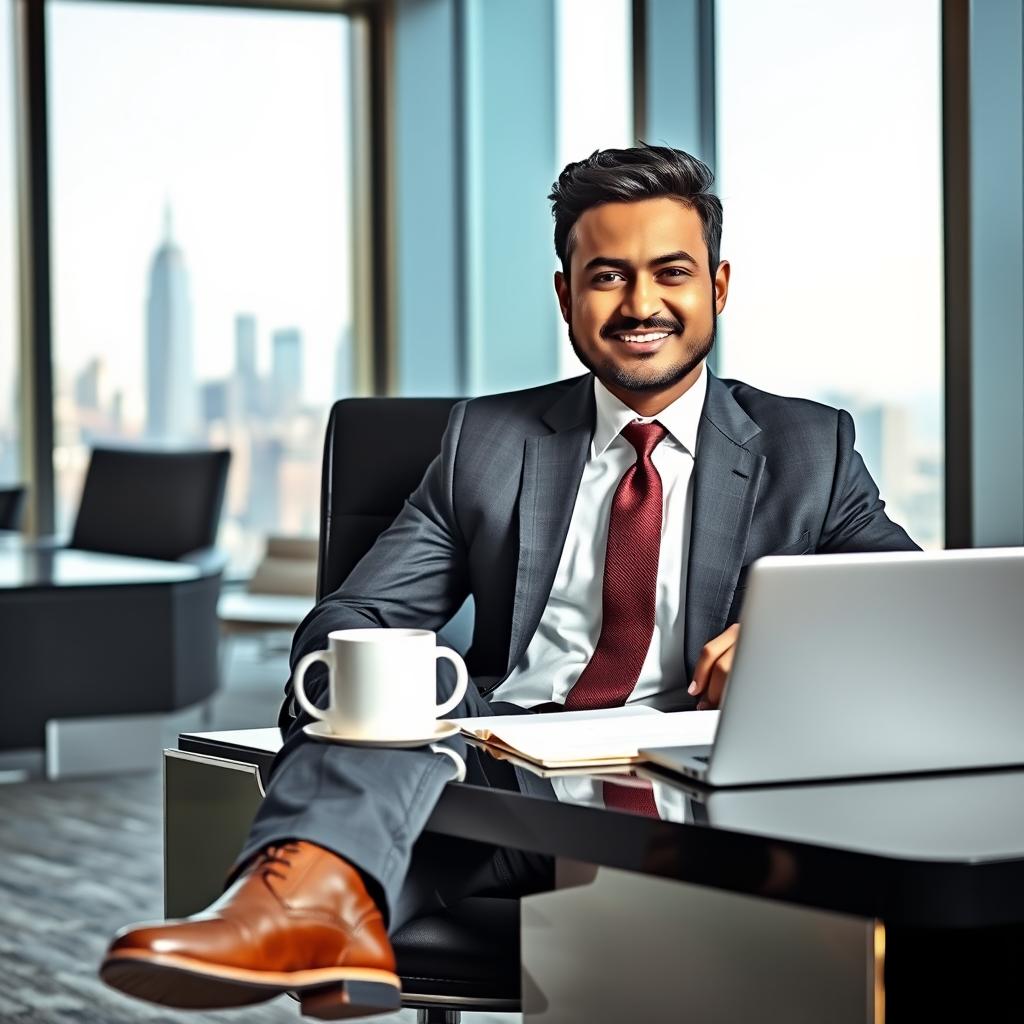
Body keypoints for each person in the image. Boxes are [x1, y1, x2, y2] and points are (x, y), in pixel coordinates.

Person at [99, 145, 918, 1018]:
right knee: (384, 717)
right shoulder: (487, 442)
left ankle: (323, 907)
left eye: (670, 273)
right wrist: (385, 688)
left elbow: (911, 615)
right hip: (503, 770)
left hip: (697, 789)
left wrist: (786, 646)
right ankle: (309, 902)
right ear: (566, 295)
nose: (641, 305)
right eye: (607, 276)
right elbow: (355, 616)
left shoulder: (809, 449)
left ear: (717, 286)